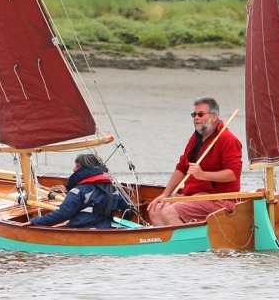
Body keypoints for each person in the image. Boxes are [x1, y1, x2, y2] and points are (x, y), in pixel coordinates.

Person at [146, 96, 242, 226]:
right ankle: (170, 245)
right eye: (194, 114)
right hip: (195, 196)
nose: (196, 118)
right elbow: (182, 167)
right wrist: (165, 194)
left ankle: (186, 244)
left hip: (218, 199)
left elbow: (233, 173)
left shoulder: (227, 139)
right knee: (156, 209)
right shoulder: (196, 138)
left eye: (200, 114)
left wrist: (203, 175)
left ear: (214, 117)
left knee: (169, 212)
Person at [28, 153, 129, 228]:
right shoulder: (113, 189)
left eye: (78, 166)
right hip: (105, 228)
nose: (74, 170)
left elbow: (63, 214)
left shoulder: (78, 191)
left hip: (80, 230)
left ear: (86, 169)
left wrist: (35, 221)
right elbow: (128, 210)